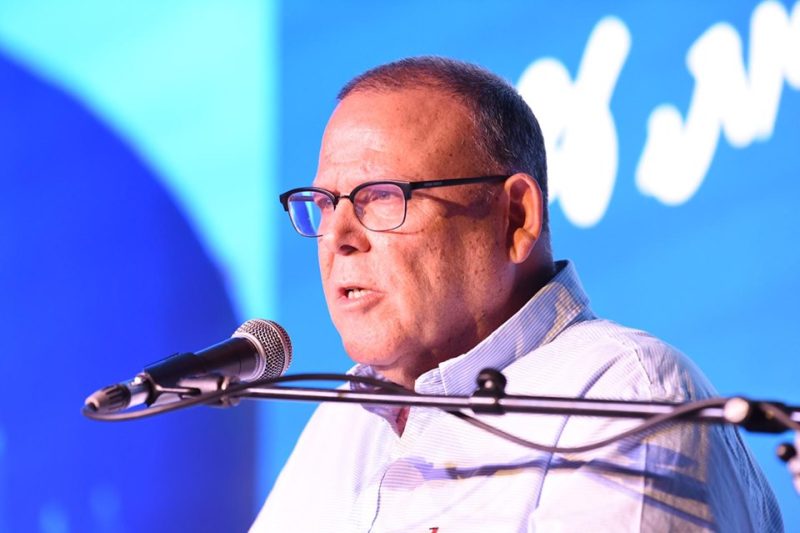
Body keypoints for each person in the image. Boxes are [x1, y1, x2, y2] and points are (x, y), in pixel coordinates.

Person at [253, 57, 782, 532]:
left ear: (515, 217)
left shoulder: (624, 397)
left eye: (381, 196)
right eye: (324, 203)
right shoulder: (341, 423)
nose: (339, 236)